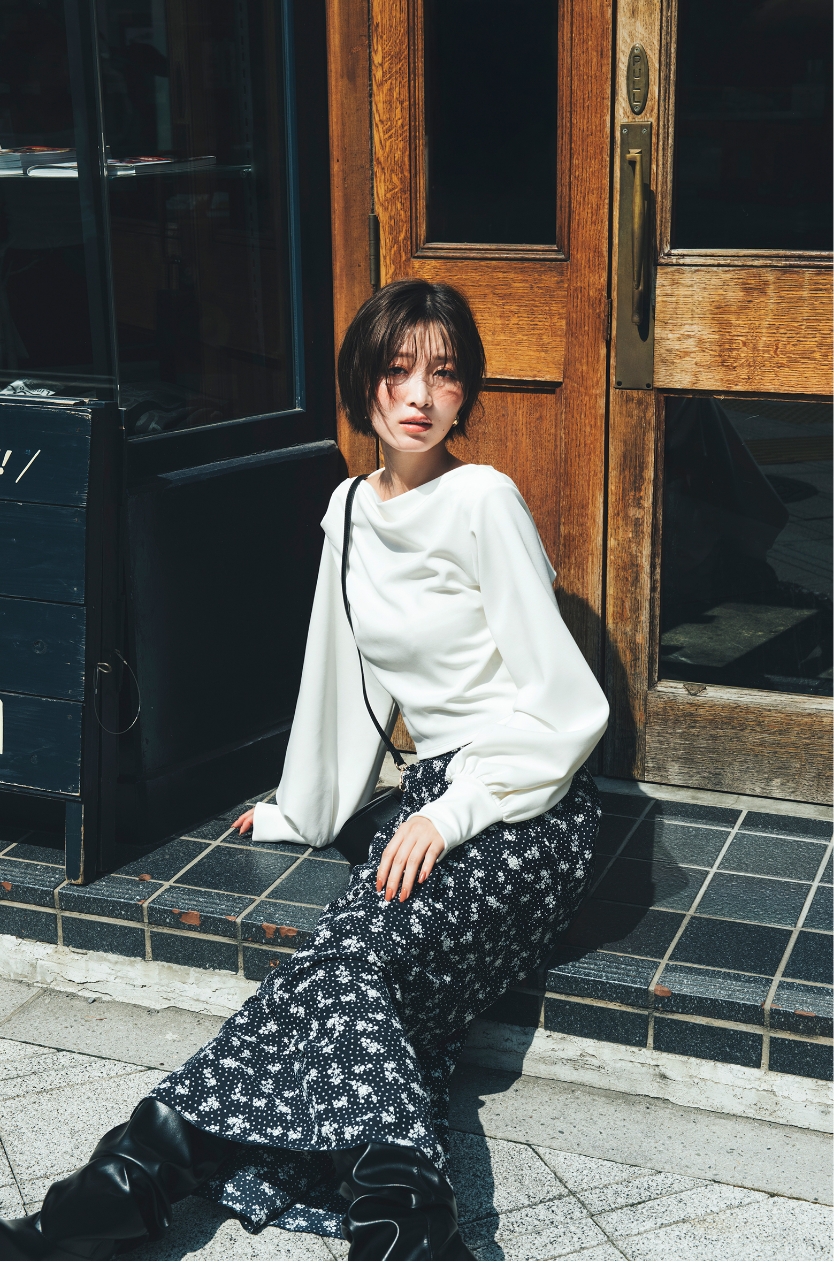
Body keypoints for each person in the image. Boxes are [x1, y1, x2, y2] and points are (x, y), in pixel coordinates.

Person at [0, 280, 608, 1262]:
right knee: (352, 976)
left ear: (467, 394)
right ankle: (403, 1223)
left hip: (523, 801)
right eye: (398, 369)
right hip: (432, 796)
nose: (420, 394)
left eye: (445, 374)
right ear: (363, 380)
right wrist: (305, 806)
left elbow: (568, 709)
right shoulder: (351, 511)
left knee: (351, 961)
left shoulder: (483, 501)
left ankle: (125, 1186)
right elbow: (341, 677)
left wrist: (452, 813)